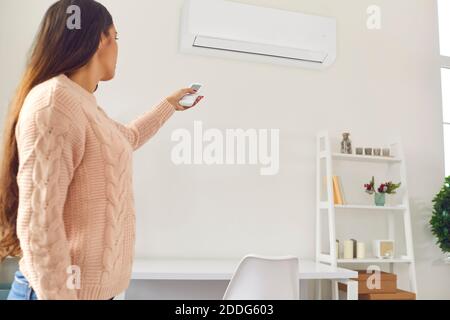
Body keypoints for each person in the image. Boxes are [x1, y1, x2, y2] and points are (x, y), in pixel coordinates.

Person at [0, 0, 204, 300]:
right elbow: (39, 224)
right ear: (100, 39)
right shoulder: (54, 102)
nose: (118, 48)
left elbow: (128, 137)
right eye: (116, 37)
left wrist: (169, 106)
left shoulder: (83, 105)